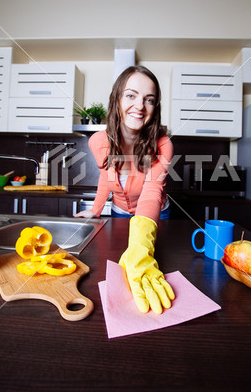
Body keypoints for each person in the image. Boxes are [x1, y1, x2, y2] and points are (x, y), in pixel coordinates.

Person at [74, 65, 175, 314]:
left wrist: (141, 245)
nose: (140, 106)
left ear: (155, 107)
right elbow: (106, 176)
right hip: (119, 211)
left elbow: (153, 191)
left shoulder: (163, 145)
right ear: (117, 99)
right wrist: (96, 210)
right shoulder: (98, 142)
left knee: (152, 262)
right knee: (117, 271)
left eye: (148, 99)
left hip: (156, 215)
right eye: (131, 95)